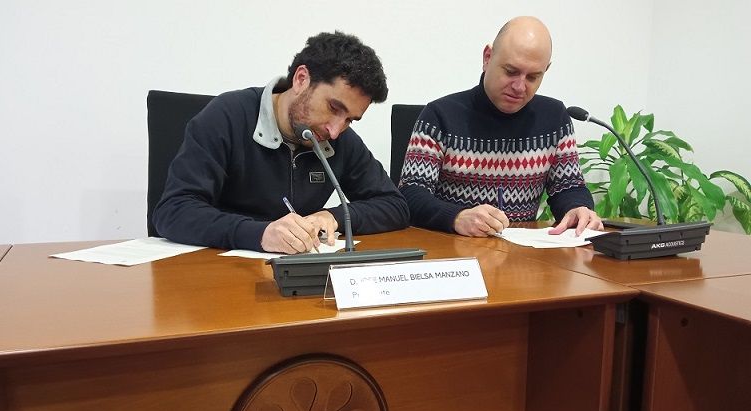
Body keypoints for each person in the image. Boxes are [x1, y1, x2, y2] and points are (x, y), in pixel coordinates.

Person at [153, 31, 410, 254]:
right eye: (333, 107)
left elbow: (394, 205)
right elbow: (174, 211)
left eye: (350, 120)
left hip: (296, 277)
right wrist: (260, 233)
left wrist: (334, 217)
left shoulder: (338, 139)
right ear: (301, 79)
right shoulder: (227, 116)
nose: (335, 131)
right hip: (218, 272)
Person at [398, 16, 603, 237]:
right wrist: (456, 216)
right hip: (456, 249)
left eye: (533, 77)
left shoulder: (555, 119)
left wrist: (577, 208)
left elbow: (568, 187)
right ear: (487, 57)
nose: (519, 86)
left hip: (525, 252)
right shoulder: (439, 116)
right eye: (511, 71)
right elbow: (411, 194)